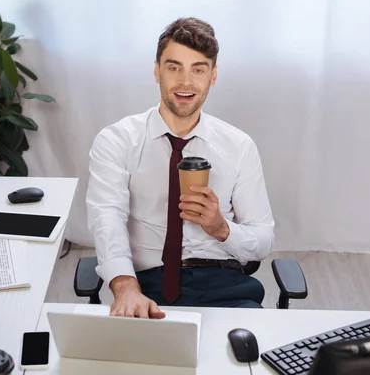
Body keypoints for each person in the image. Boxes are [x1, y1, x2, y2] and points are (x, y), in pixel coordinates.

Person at [86, 17, 274, 319]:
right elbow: (107, 218)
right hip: (144, 285)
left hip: (223, 286)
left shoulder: (239, 146)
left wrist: (220, 228)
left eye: (198, 69)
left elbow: (262, 240)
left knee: (245, 360)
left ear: (213, 76)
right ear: (156, 71)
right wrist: (124, 287)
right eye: (174, 68)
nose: (186, 82)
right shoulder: (117, 140)